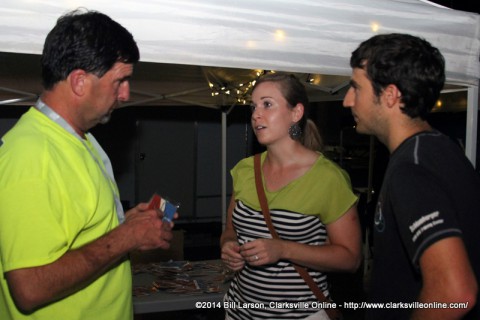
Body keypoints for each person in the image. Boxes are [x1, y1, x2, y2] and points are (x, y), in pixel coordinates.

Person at [0, 9, 176, 320]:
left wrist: (124, 227)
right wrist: (124, 237)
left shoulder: (83, 140)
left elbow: (79, 235)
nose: (126, 94)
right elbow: (28, 288)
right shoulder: (31, 155)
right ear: (80, 81)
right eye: (119, 81)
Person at [343, 33, 480, 319]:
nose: (347, 101)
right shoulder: (441, 150)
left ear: (390, 95)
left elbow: (454, 291)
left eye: (356, 88)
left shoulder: (412, 168)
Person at [221, 73, 361, 319]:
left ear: (296, 113)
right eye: (253, 106)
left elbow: (350, 258)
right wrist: (229, 246)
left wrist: (284, 249)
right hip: (239, 311)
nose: (255, 114)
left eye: (267, 104)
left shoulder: (327, 178)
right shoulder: (245, 170)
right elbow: (230, 231)